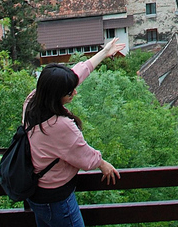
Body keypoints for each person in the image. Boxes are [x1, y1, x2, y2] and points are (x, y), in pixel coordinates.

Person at [23, 38, 126, 227]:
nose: (75, 93)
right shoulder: (59, 126)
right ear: (57, 95)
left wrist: (103, 53)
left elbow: (74, 75)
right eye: (70, 93)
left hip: (36, 193)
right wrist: (102, 163)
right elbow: (82, 154)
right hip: (56, 199)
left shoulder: (32, 101)